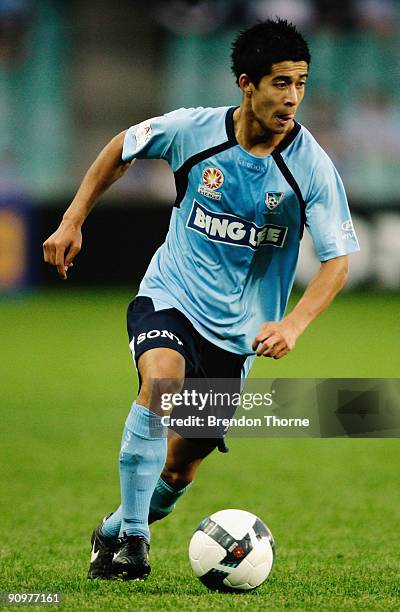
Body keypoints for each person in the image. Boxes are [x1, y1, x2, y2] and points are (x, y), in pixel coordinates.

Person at [43, 18, 359, 581]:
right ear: (247, 84)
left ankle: (115, 526)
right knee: (160, 383)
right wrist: (72, 221)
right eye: (280, 83)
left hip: (236, 333)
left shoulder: (309, 165)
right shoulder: (193, 131)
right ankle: (135, 544)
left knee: (181, 468)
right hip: (171, 294)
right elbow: (123, 147)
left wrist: (294, 324)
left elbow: (337, 260)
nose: (292, 98)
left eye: (301, 83)